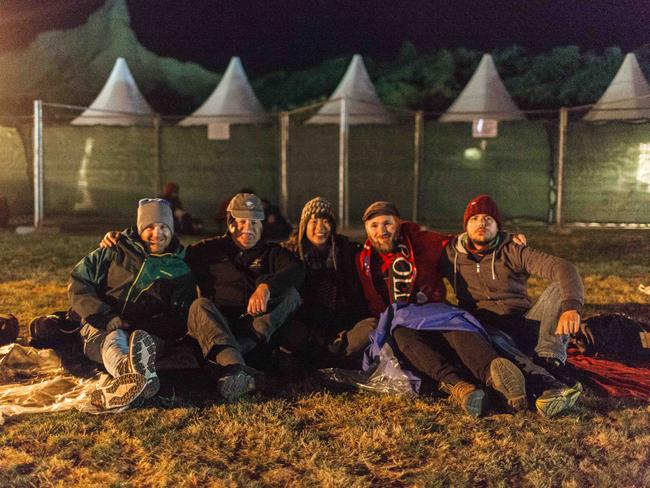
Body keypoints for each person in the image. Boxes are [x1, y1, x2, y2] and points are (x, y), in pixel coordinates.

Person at [356, 201, 527, 417]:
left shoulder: (421, 240)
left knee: (455, 326)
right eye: (374, 225)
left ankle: (496, 376)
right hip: (401, 325)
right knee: (402, 335)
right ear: (366, 229)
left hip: (434, 312)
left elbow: (462, 240)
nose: (382, 231)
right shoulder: (363, 260)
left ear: (398, 223)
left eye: (387, 223)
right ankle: (460, 386)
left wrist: (504, 238)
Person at [439, 195, 583, 414]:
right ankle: (542, 380)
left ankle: (549, 360)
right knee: (485, 332)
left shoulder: (512, 250)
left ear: (498, 226)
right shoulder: (450, 253)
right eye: (475, 218)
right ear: (465, 225)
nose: (481, 223)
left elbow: (562, 267)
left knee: (557, 289)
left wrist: (571, 307)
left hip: (523, 321)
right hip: (487, 330)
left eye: (489, 219)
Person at [70, 198, 195, 410]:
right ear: (139, 229)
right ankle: (129, 374)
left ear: (172, 229)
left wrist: (146, 330)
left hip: (148, 333)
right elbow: (80, 281)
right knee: (115, 338)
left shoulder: (180, 268)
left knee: (142, 342)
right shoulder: (114, 249)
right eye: (150, 227)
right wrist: (106, 316)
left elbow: (179, 314)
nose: (157, 233)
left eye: (164, 227)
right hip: (104, 324)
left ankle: (133, 379)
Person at [184, 193, 304, 399]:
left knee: (291, 294)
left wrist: (266, 286)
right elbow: (169, 255)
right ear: (230, 223)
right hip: (219, 327)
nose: (248, 229)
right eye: (241, 221)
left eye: (255, 222)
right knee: (199, 306)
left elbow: (296, 270)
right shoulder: (207, 250)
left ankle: (231, 367)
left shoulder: (271, 252)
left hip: (253, 331)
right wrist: (124, 241)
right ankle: (236, 367)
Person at [279, 197, 374, 367]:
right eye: (313, 222)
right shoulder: (289, 253)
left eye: (325, 221)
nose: (320, 228)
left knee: (371, 327)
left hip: (341, 329)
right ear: (304, 225)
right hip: (304, 325)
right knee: (289, 332)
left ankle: (325, 356)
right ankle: (322, 356)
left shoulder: (346, 250)